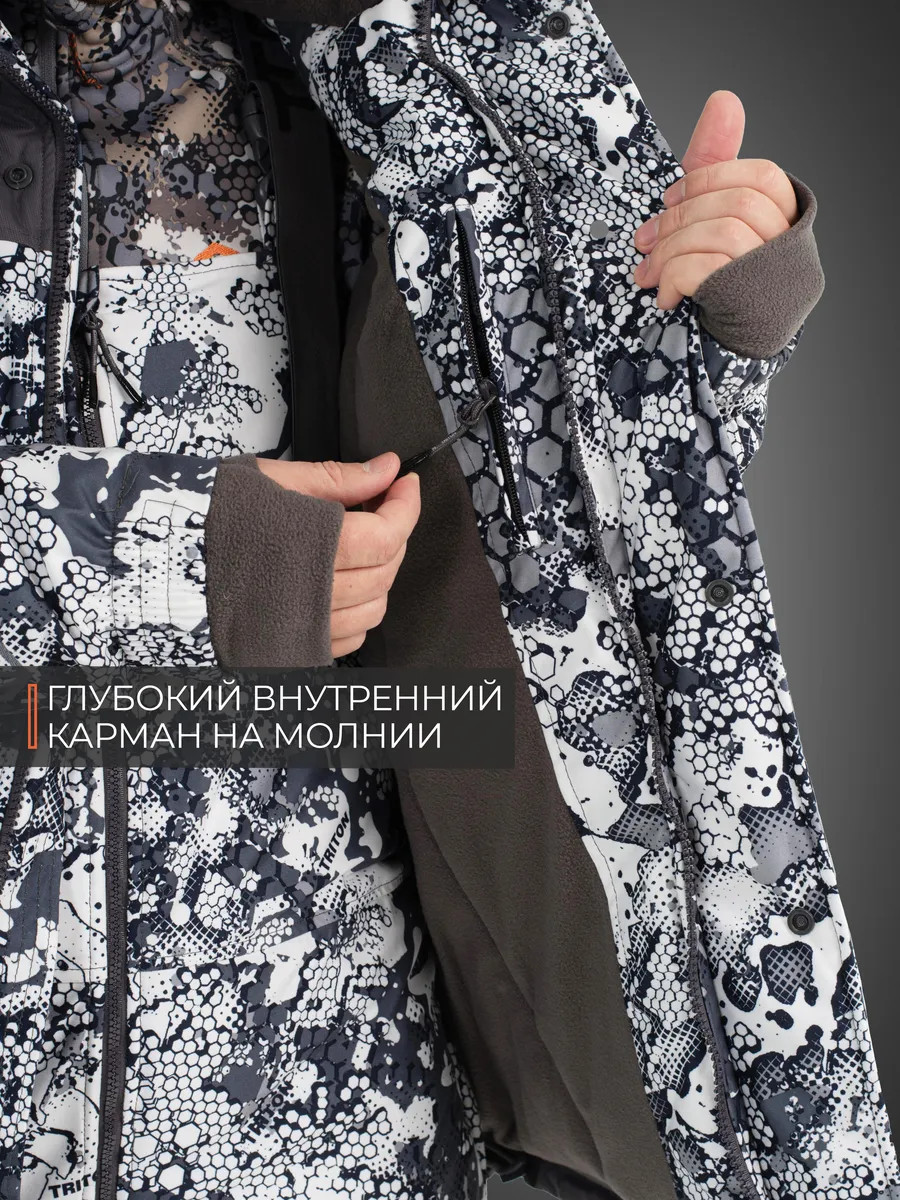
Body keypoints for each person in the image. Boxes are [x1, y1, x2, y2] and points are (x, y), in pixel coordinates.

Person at [0, 0, 894, 1198]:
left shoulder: (368, 76)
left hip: (327, 1082)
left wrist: (703, 346)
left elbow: (545, 528)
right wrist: (172, 551)